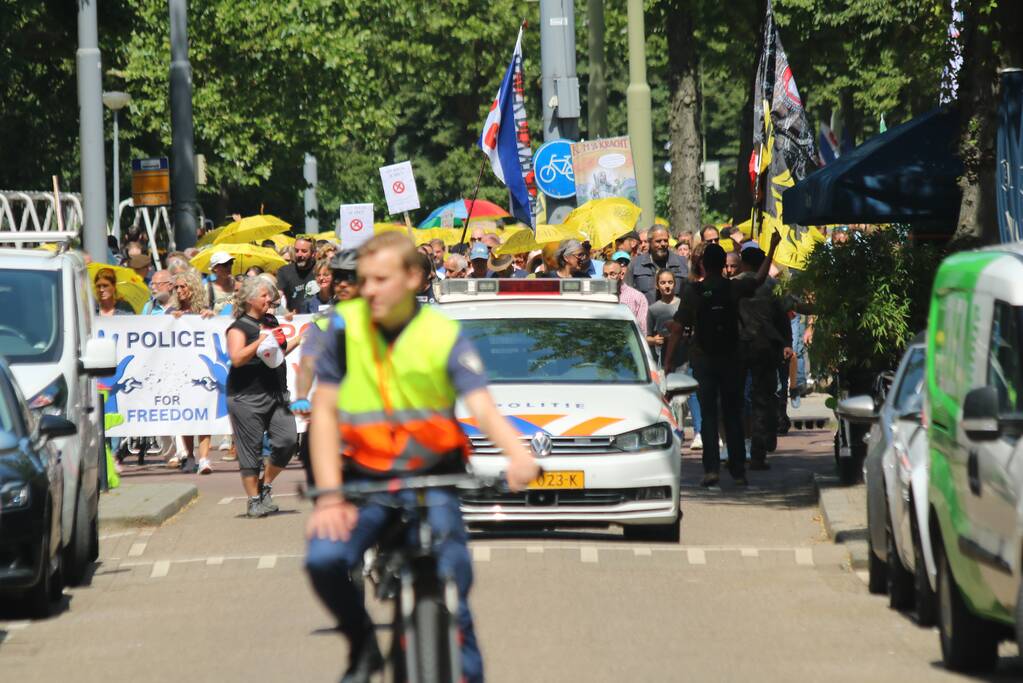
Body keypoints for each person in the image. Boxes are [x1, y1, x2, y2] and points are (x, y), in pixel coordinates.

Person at [303, 232, 539, 683]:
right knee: (324, 559)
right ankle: (362, 644)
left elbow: (482, 405)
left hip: (432, 480)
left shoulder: (441, 332)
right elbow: (326, 412)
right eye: (362, 280)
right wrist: (330, 496)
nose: (367, 289)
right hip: (364, 482)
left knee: (453, 584)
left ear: (413, 278)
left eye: (379, 279)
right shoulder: (343, 327)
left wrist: (517, 456)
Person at [665, 233, 781, 487]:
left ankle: (711, 470)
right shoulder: (734, 287)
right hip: (732, 358)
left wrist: (668, 362)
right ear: (724, 264)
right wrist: (772, 247)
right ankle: (739, 471)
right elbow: (760, 278)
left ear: (703, 265)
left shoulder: (693, 291)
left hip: (703, 359)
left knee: (708, 415)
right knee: (733, 413)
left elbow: (676, 328)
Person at [226, 276, 301, 517]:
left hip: (276, 394)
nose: (269, 299)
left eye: (270, 295)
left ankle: (265, 485)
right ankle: (253, 500)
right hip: (246, 397)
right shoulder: (239, 327)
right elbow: (236, 358)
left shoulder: (271, 321)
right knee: (251, 451)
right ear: (250, 300)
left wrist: (301, 339)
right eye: (264, 295)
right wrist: (258, 340)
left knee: (287, 440)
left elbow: (276, 353)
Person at [736, 245, 793, 470]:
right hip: (767, 348)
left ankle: (739, 451)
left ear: (744, 263)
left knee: (740, 399)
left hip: (740, 348)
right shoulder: (772, 286)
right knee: (765, 398)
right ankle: (761, 447)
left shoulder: (735, 285)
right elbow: (786, 315)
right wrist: (787, 343)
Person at [167, 270, 216, 473]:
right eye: (176, 287)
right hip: (179, 370)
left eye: (183, 286)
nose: (179, 291)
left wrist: (211, 316)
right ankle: (188, 454)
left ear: (193, 288)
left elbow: (217, 329)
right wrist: (172, 319)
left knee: (204, 411)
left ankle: (204, 457)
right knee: (185, 413)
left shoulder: (204, 311)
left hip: (201, 369)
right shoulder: (171, 312)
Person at [625, 225, 688, 303]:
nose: (663, 244)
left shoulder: (682, 263)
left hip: (676, 314)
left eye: (665, 240)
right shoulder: (635, 264)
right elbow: (626, 295)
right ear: (650, 242)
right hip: (646, 313)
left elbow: (689, 295)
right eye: (658, 241)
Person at [603, 260, 647, 335]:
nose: (608, 278)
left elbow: (642, 329)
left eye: (612, 274)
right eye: (605, 275)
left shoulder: (637, 297)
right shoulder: (599, 296)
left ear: (622, 275)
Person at [277, 237, 317, 311]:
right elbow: (278, 295)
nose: (299, 254)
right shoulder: (284, 271)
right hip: (295, 319)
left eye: (304, 251)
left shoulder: (320, 270)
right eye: (296, 251)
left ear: (313, 254)